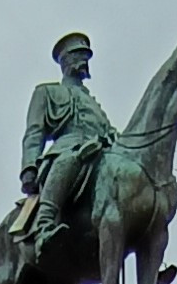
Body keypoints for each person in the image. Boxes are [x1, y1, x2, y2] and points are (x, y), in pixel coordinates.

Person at [20, 32, 117, 261]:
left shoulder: (92, 101)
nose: (84, 61)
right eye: (78, 56)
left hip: (101, 151)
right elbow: (34, 131)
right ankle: (44, 226)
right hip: (67, 149)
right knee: (69, 160)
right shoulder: (46, 92)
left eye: (86, 56)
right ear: (65, 60)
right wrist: (29, 168)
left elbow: (107, 129)